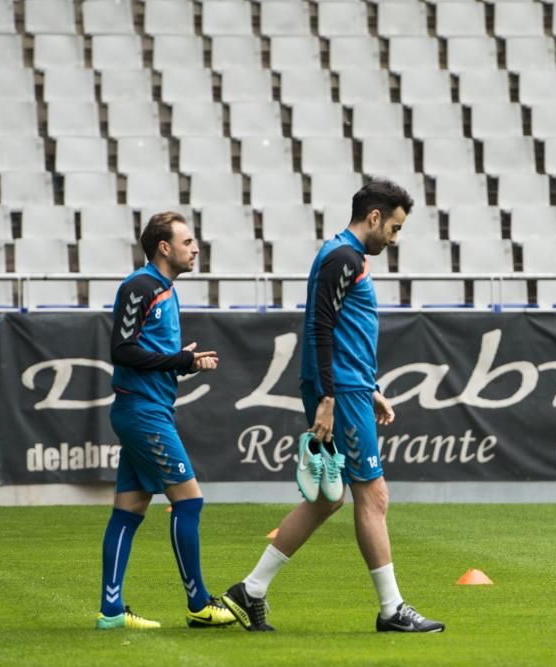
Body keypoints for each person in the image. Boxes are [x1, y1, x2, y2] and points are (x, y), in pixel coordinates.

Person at [221, 180, 445, 633]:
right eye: (395, 228)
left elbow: (341, 330)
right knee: (374, 496)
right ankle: (392, 610)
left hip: (349, 386)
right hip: (339, 391)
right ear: (375, 217)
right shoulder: (344, 257)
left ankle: (250, 591)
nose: (394, 239)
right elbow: (320, 327)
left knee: (329, 499)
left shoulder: (344, 255)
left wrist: (370, 386)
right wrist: (330, 397)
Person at [96, 211, 235, 630]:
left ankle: (112, 612)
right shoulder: (140, 286)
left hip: (148, 407)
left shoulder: (165, 290)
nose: (195, 249)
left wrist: (185, 364)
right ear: (164, 247)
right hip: (143, 412)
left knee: (129, 509)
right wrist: (179, 359)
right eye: (188, 241)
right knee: (189, 501)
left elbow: (152, 356)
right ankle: (198, 603)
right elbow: (121, 350)